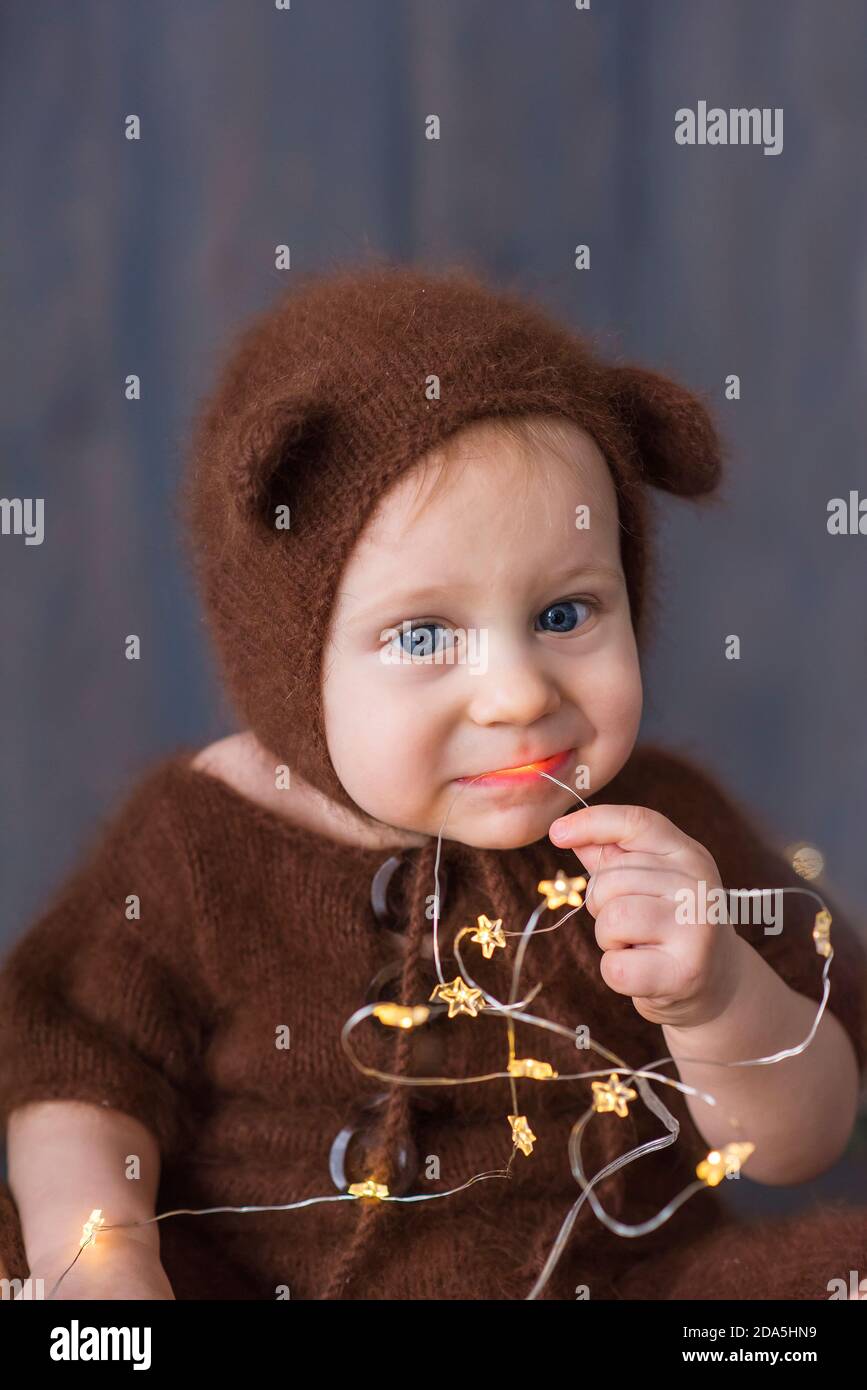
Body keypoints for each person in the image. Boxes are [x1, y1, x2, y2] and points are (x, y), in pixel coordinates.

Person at [1, 262, 865, 1301]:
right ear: (289, 657)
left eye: (565, 614)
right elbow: (76, 1072)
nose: (514, 694)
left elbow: (802, 1141)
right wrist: (99, 1255)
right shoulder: (196, 843)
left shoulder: (665, 830)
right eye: (422, 634)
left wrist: (719, 996)